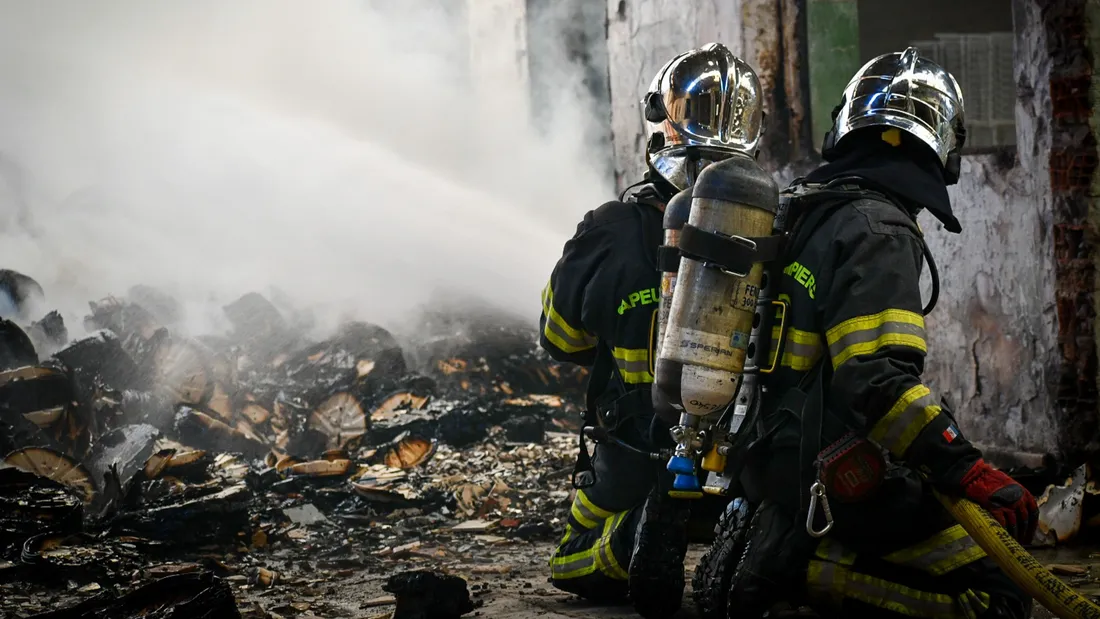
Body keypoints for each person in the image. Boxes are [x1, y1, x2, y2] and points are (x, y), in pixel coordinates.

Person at [721, 47, 1037, 618]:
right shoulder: (878, 228)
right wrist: (964, 467)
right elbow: (873, 378)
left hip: (764, 456)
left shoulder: (797, 207)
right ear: (944, 144)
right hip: (837, 474)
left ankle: (782, 540)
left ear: (845, 124)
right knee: (1000, 597)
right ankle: (801, 569)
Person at [540, 43, 767, 618]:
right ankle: (754, 537)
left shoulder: (611, 229)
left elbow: (560, 340)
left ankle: (630, 537)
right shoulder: (777, 229)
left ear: (663, 121)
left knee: (571, 561)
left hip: (637, 454)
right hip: (748, 462)